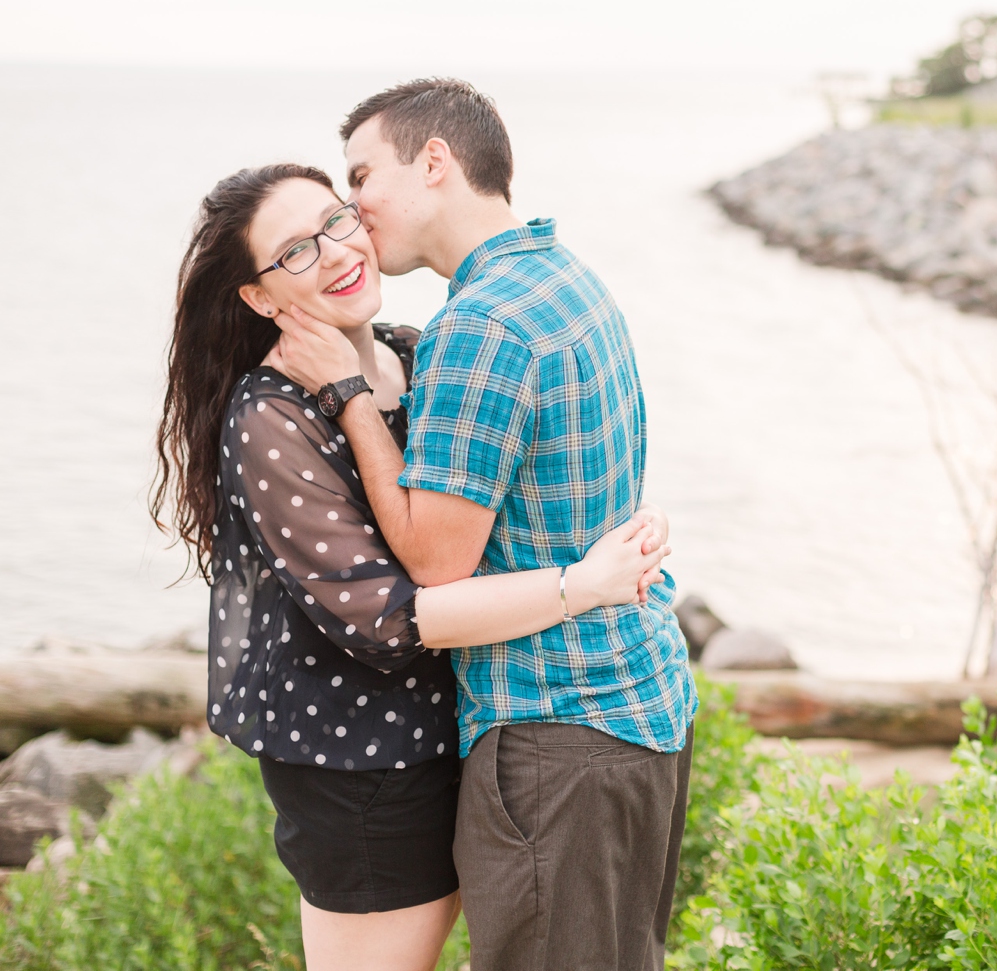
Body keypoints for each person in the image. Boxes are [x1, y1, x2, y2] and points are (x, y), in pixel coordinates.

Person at [152, 163, 672, 971]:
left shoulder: (415, 352)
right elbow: (391, 617)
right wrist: (583, 586)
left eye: (335, 220)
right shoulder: (270, 419)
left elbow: (488, 508)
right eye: (293, 252)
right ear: (259, 298)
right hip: (363, 774)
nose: (333, 251)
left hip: (468, 736)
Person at [274, 78, 697, 970]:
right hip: (643, 701)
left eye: (362, 176)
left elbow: (435, 561)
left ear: (435, 162)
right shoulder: (564, 278)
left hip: (556, 730)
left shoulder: (481, 323)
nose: (352, 208)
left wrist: (347, 393)